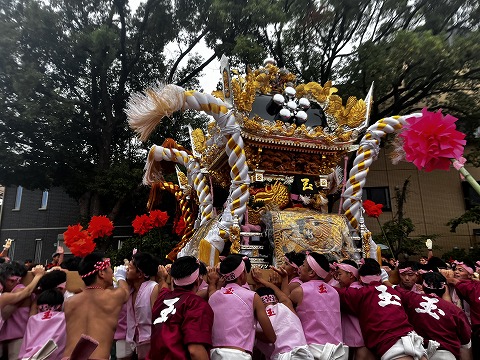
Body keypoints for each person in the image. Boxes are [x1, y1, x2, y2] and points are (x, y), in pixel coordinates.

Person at [336, 258, 427, 360]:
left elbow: (332, 292)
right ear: (380, 276)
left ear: (360, 279)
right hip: (412, 337)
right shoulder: (396, 291)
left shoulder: (360, 293)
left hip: (389, 341)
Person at [208, 254, 276, 359]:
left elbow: (212, 289)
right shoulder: (252, 297)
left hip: (214, 354)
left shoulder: (213, 297)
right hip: (238, 355)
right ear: (242, 275)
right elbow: (271, 337)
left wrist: (212, 283)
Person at [63, 253, 129, 360]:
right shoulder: (114, 296)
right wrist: (121, 276)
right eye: (110, 268)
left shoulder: (69, 302)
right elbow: (126, 292)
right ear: (101, 273)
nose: (112, 272)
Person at [148, 255, 214, 360]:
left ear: (173, 280)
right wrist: (214, 285)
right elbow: (195, 351)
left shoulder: (162, 298)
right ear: (198, 281)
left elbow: (163, 287)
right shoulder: (196, 304)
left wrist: (162, 279)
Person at [397, 272, 471, 360]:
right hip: (445, 355)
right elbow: (465, 341)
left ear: (423, 286)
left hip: (416, 353)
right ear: (444, 289)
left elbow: (393, 288)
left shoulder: (411, 298)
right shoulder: (455, 311)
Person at [289, 251, 345, 359]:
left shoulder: (300, 291)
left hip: (312, 349)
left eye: (303, 265)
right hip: (337, 350)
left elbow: (285, 306)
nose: (300, 267)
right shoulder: (334, 292)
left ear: (311, 273)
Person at [252, 267, 314, 360]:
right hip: (302, 355)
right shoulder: (286, 305)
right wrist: (262, 280)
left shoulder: (256, 321)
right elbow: (282, 295)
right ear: (275, 299)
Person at [334, 260, 375, 360]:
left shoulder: (354, 291)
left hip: (361, 340)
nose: (338, 278)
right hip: (356, 340)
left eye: (340, 274)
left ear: (351, 275)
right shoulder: (359, 288)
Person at [125, 252, 160, 359]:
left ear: (140, 274)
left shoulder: (153, 288)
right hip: (130, 342)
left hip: (149, 341)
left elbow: (157, 319)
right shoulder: (128, 290)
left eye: (129, 268)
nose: (126, 270)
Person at [18, 288, 66, 360]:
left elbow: (26, 342)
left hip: (30, 357)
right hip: (53, 356)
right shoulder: (63, 317)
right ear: (59, 305)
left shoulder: (33, 319)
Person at [446, 260, 480, 359]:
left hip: (471, 327)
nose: (456, 272)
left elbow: (454, 281)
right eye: (455, 269)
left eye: (460, 270)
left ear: (470, 275)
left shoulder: (473, 286)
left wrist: (448, 277)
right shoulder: (448, 286)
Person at [0, 261, 34, 359]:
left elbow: (5, 314)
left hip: (17, 337)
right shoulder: (7, 292)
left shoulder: (19, 290)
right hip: (7, 336)